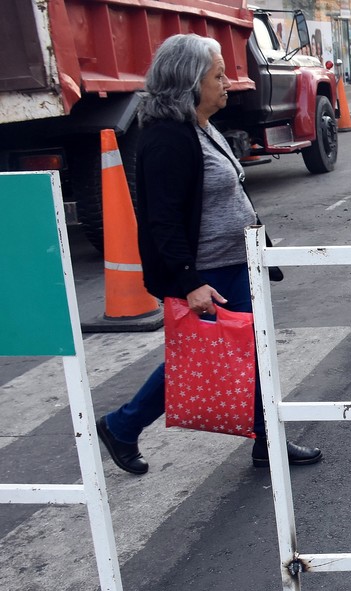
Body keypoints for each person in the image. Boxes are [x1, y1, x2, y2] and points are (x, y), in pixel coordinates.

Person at [95, 34, 322, 475]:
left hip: (236, 262)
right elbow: (161, 219)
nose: (227, 83)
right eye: (217, 76)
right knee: (205, 355)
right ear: (189, 81)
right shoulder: (168, 138)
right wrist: (190, 280)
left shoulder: (200, 124)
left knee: (250, 352)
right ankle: (123, 425)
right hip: (209, 272)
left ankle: (265, 442)